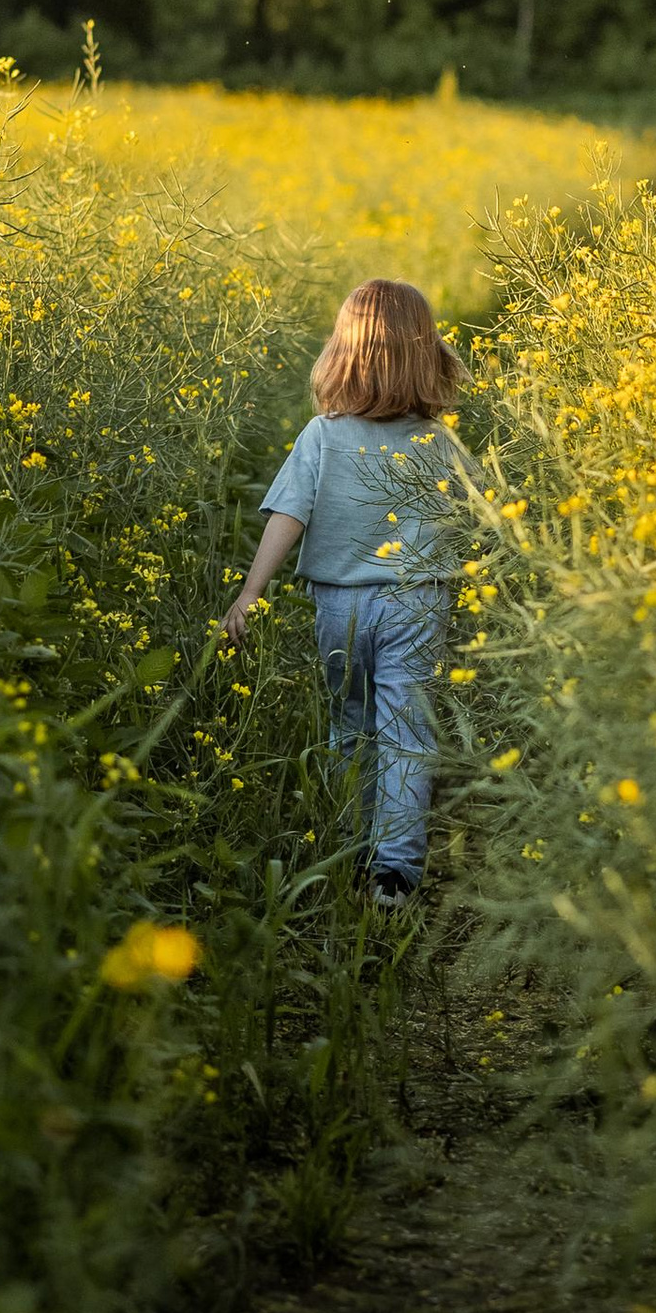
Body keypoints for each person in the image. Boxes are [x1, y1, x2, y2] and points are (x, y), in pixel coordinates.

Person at [221, 278, 471, 907]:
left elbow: (289, 515)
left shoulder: (323, 435)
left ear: (343, 353)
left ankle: (349, 846)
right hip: (418, 602)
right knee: (406, 733)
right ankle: (394, 876)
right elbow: (479, 517)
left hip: (340, 604)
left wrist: (251, 591)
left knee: (350, 725)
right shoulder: (439, 440)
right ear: (426, 354)